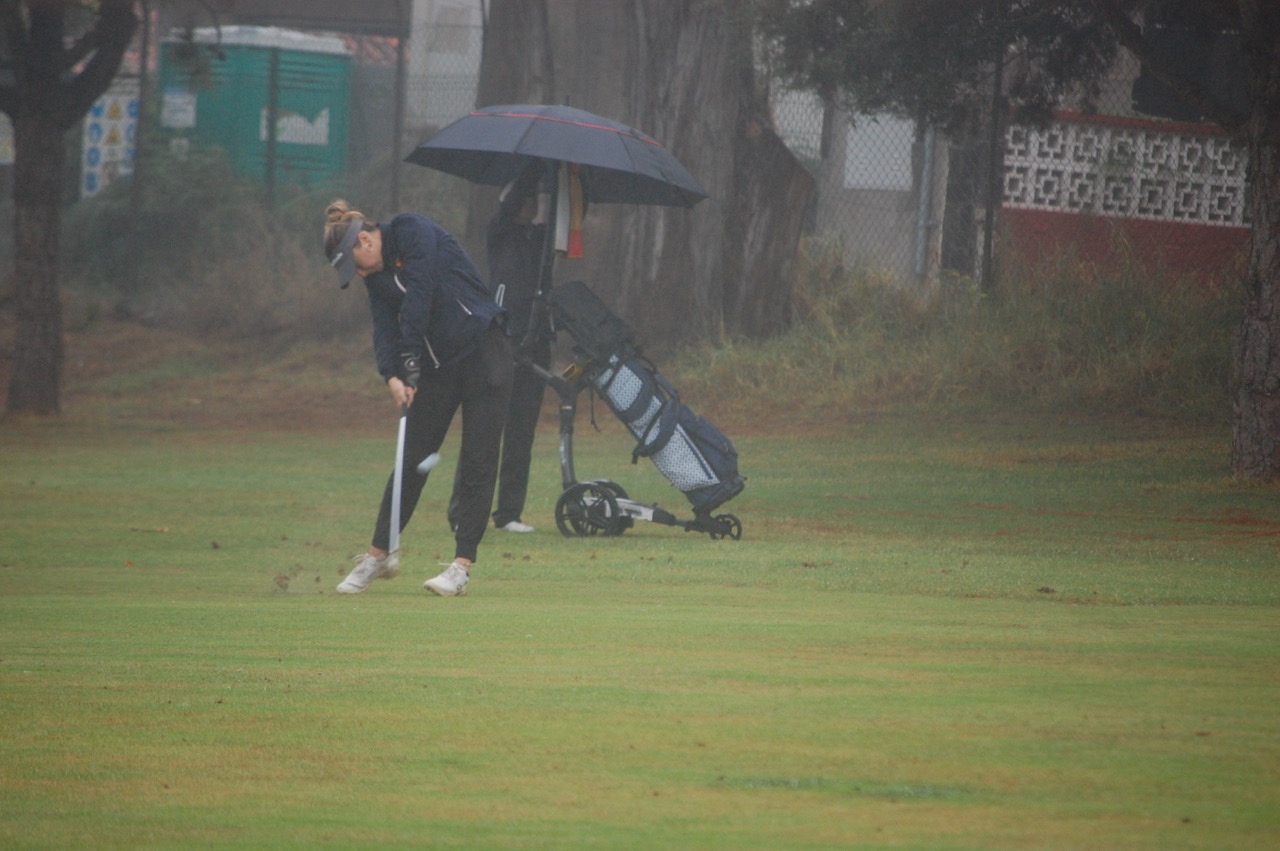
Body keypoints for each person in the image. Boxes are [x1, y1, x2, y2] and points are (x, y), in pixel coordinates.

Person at [323, 199, 513, 597]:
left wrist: (409, 357)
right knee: (411, 459)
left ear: (365, 240)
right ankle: (380, 554)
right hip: (438, 367)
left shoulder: (411, 230)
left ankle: (461, 567)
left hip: (484, 351)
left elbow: (420, 294)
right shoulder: (375, 278)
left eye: (355, 264)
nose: (358, 275)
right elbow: (383, 328)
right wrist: (392, 373)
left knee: (478, 457)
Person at [449, 165, 549, 534]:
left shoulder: (541, 241)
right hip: (501, 340)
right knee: (485, 428)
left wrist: (561, 179)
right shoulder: (500, 232)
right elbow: (507, 208)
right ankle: (462, 513)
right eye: (525, 199)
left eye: (535, 200)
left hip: (535, 343)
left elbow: (567, 225)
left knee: (522, 431)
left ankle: (508, 513)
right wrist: (535, 170)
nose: (530, 206)